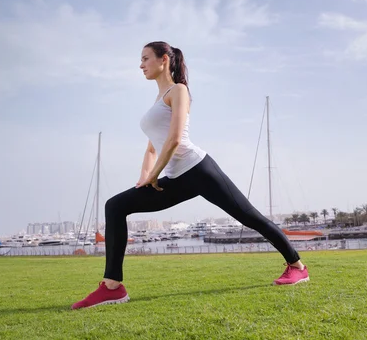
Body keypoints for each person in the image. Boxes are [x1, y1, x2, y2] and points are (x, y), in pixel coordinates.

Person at [72, 41, 309, 310]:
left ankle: (297, 266)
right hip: (174, 178)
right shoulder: (156, 102)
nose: (141, 64)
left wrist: (155, 175)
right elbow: (152, 146)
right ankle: (113, 286)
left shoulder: (179, 91)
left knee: (250, 217)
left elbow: (173, 140)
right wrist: (144, 177)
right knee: (115, 206)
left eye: (145, 58)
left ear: (163, 60)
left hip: (199, 170)